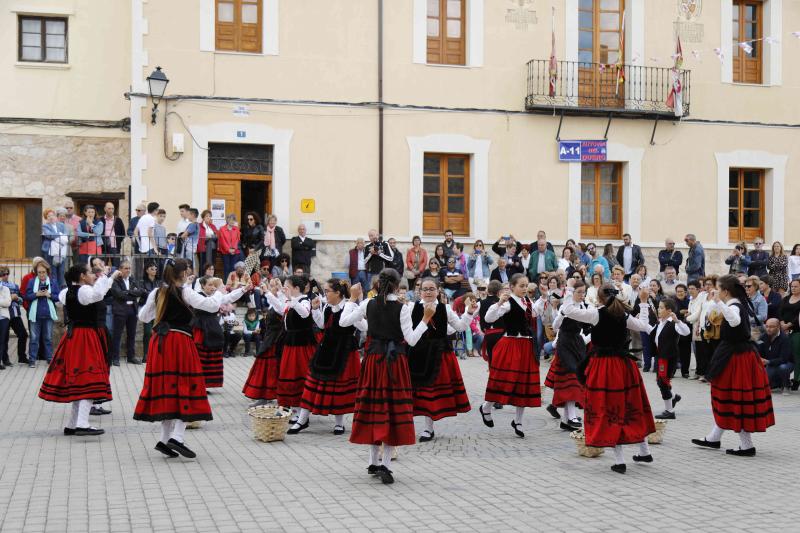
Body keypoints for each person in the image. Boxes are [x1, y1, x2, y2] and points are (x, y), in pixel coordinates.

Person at [134, 259, 246, 459]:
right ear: (184, 274)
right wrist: (220, 289)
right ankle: (176, 437)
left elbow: (143, 317)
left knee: (168, 387)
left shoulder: (158, 291)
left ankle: (164, 438)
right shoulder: (184, 291)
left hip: (159, 342)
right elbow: (211, 306)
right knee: (187, 385)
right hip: (179, 342)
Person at [339, 269, 432, 484]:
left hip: (372, 362)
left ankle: (373, 461)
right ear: (397, 286)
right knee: (391, 410)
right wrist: (426, 319)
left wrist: (352, 299)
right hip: (394, 364)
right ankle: (386, 466)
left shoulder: (367, 304)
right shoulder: (403, 308)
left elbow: (344, 322)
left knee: (374, 408)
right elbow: (412, 339)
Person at [566, 284, 656, 473]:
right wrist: (645, 302)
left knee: (609, 409)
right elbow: (645, 327)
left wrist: (571, 294)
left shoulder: (596, 314)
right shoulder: (623, 315)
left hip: (605, 368)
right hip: (624, 367)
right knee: (631, 406)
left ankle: (620, 460)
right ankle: (644, 451)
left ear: (599, 298)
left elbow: (568, 311)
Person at [691, 275, 775, 456]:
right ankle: (714, 438)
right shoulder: (733, 303)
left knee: (736, 399)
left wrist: (719, 302)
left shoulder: (734, 306)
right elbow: (713, 311)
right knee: (726, 396)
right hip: (734, 355)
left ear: (726, 292)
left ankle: (746, 446)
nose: (716, 292)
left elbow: (735, 321)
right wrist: (713, 299)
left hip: (738, 358)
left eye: (719, 289)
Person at [39, 264, 120, 436]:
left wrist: (108, 279)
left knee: (79, 381)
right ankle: (82, 423)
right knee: (89, 378)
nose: (93, 275)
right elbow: (97, 294)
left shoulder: (66, 292)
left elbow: (95, 294)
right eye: (90, 273)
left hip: (74, 336)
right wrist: (106, 276)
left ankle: (72, 424)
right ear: (82, 276)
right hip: (85, 337)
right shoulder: (83, 291)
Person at [289, 278, 365, 435]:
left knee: (339, 385)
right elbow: (323, 325)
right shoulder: (328, 307)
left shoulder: (351, 306)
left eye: (327, 291)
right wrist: (316, 310)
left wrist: (356, 315)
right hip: (326, 347)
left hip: (344, 350)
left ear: (338, 293)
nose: (325, 294)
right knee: (313, 382)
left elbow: (364, 327)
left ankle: (339, 423)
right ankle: (302, 420)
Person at [406, 277, 476, 442]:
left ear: (438, 291)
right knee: (419, 391)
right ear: (419, 291)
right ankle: (415, 426)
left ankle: (428, 429)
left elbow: (460, 327)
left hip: (439, 354)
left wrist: (469, 312)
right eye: (425, 289)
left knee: (431, 390)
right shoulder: (411, 308)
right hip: (418, 353)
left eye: (431, 289)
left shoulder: (445, 308)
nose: (428, 292)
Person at [477, 273, 542, 438]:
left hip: (526, 346)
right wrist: (499, 302)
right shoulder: (508, 303)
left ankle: (518, 421)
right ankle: (486, 407)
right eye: (521, 286)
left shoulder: (528, 302)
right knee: (502, 380)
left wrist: (546, 296)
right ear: (512, 287)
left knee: (523, 384)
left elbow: (536, 313)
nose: (524, 289)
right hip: (511, 344)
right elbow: (488, 317)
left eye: (526, 286)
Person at [263, 275, 318, 420]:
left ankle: (301, 410)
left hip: (301, 343)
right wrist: (268, 294)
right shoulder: (291, 300)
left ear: (296, 289)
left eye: (287, 286)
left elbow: (305, 313)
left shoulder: (305, 300)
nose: (284, 289)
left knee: (299, 374)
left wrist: (291, 299)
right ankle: (294, 409)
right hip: (290, 342)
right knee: (289, 374)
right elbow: (282, 309)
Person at [545, 280, 589, 431]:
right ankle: (571, 415)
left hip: (577, 343)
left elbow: (588, 328)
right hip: (565, 343)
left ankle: (566, 419)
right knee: (571, 377)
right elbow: (556, 326)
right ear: (572, 293)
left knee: (577, 378)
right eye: (579, 292)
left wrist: (584, 339)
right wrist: (562, 313)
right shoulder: (566, 306)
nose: (582, 295)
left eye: (584, 292)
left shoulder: (583, 306)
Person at [243, 278, 285, 406]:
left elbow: (281, 308)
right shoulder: (273, 301)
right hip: (269, 337)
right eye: (270, 285)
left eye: (274, 286)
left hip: (275, 339)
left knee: (270, 367)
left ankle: (267, 395)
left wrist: (269, 292)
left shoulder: (281, 302)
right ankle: (265, 395)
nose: (271, 287)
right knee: (265, 367)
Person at [192, 276, 239, 389]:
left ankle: (207, 383)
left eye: (214, 285)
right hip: (201, 328)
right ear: (202, 286)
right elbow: (210, 303)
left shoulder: (215, 297)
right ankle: (198, 382)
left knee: (211, 355)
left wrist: (243, 289)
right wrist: (219, 290)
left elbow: (230, 297)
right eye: (210, 285)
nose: (213, 287)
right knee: (199, 355)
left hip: (212, 327)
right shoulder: (198, 296)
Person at [648, 298, 689, 420]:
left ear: (669, 310)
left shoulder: (673, 323)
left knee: (663, 382)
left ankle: (669, 411)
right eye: (659, 307)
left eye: (661, 308)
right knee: (661, 381)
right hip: (660, 356)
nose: (659, 310)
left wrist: (678, 321)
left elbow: (686, 332)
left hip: (668, 358)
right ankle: (674, 396)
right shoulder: (660, 322)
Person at [109, 260, 145, 365]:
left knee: (131, 334)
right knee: (117, 334)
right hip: (120, 310)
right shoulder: (115, 281)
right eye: (125, 268)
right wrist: (132, 293)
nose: (128, 270)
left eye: (129, 268)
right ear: (120, 269)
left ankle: (131, 356)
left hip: (132, 309)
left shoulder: (133, 279)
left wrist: (128, 292)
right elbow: (119, 294)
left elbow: (140, 291)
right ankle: (115, 358)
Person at [24, 261, 59, 366]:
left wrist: (50, 295)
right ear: (36, 272)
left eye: (43, 272)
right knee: (34, 338)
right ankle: (32, 360)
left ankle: (49, 359)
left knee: (48, 338)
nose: (41, 274)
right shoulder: (31, 282)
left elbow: (58, 297)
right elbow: (26, 296)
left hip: (48, 315)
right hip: (35, 315)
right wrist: (36, 294)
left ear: (47, 272)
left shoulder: (52, 282)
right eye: (39, 272)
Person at [759, 318, 793, 393]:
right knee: (764, 384)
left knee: (783, 368)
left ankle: (786, 385)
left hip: (786, 363)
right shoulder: (763, 337)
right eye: (767, 326)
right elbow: (758, 352)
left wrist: (768, 362)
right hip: (770, 363)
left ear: (778, 327)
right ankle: (777, 383)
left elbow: (784, 359)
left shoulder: (785, 339)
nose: (768, 329)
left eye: (771, 327)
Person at [779, 279, 800, 390]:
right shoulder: (786, 298)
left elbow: (798, 317)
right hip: (784, 330)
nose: (793, 288)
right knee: (785, 356)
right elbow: (780, 311)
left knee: (796, 356)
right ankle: (783, 381)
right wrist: (782, 323)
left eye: (796, 286)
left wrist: (789, 325)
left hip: (796, 331)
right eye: (792, 286)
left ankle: (796, 380)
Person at [41, 209, 69, 288]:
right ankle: (54, 289)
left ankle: (61, 290)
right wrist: (60, 234)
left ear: (55, 216)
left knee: (61, 271)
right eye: (48, 216)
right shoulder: (45, 226)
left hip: (61, 251)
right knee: (53, 271)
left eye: (52, 215)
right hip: (50, 252)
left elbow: (66, 235)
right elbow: (49, 235)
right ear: (46, 218)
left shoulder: (61, 225)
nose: (51, 217)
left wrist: (57, 237)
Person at [685, 280, 706, 379]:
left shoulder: (701, 299)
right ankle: (698, 372)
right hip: (694, 328)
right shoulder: (691, 299)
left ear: (698, 289)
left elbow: (696, 315)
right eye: (689, 288)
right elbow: (690, 312)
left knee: (701, 351)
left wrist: (687, 318)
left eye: (693, 288)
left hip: (700, 327)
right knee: (696, 351)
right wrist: (689, 316)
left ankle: (702, 373)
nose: (690, 290)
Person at [140, 261, 159, 363]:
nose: (154, 270)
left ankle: (155, 354)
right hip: (147, 310)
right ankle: (146, 354)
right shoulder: (143, 281)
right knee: (147, 332)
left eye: (155, 268)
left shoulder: (158, 282)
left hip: (157, 310)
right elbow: (143, 294)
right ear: (147, 270)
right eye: (152, 268)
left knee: (156, 332)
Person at [674, 284, 692, 378]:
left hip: (686, 329)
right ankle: (671, 371)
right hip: (675, 330)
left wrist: (687, 312)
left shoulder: (690, 301)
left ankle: (685, 371)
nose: (679, 293)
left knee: (686, 352)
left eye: (681, 291)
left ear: (685, 292)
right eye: (678, 291)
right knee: (673, 351)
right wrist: (679, 312)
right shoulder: (673, 301)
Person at [218, 214, 242, 281]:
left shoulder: (236, 229)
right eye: (230, 219)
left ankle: (232, 283)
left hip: (235, 252)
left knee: (233, 268)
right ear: (227, 220)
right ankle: (226, 284)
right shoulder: (222, 229)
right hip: (225, 252)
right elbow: (222, 240)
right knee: (227, 268)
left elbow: (237, 240)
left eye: (233, 220)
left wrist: (233, 249)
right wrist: (228, 249)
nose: (232, 221)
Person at [0, 281, 10, 370]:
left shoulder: (6, 289)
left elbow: (7, 303)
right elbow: (4, 302)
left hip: (3, 318)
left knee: (2, 341)